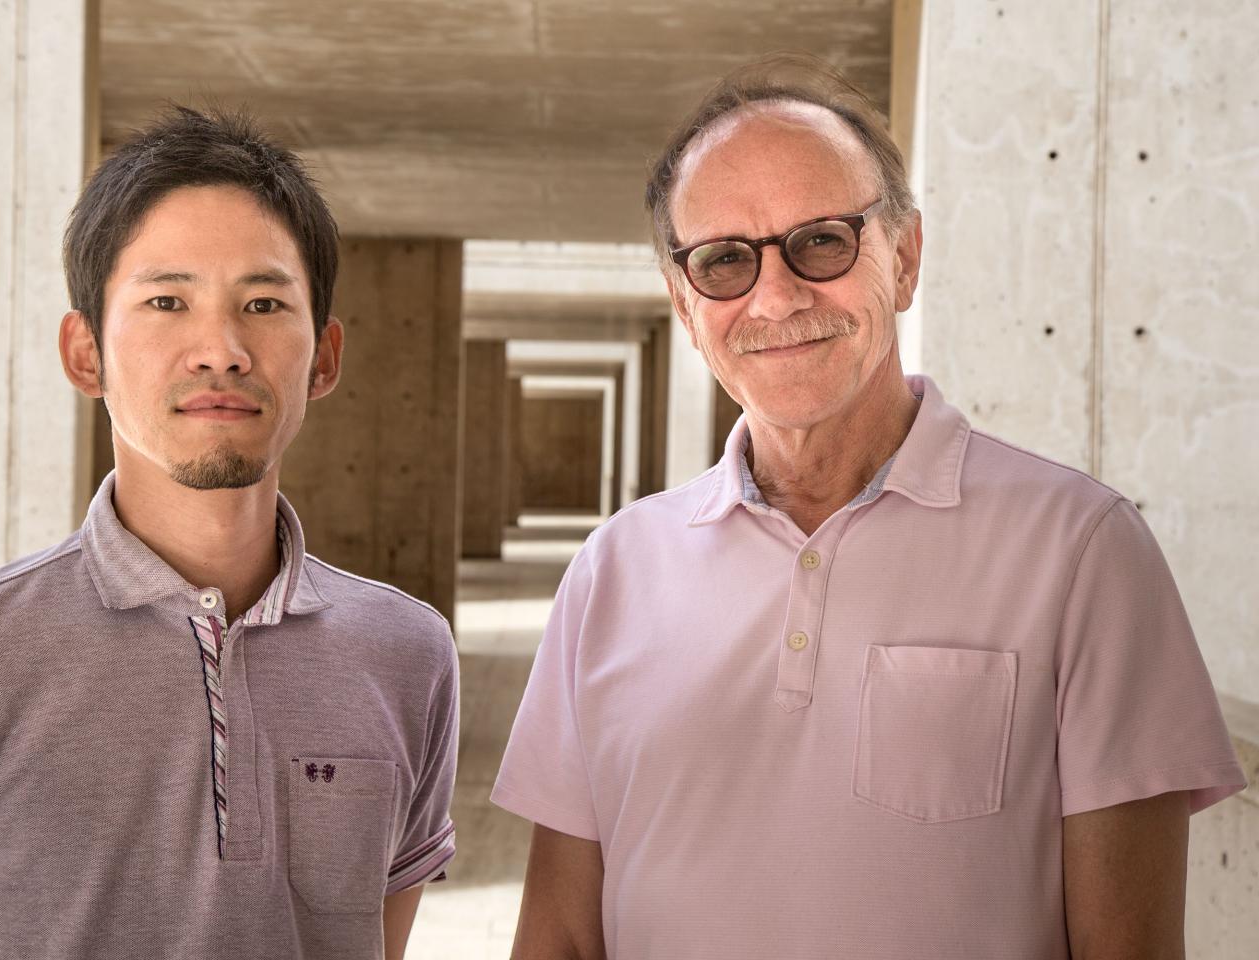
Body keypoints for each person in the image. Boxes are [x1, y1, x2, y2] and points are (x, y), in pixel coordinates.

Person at [492, 54, 1245, 959]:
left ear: (905, 257)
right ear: (685, 305)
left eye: (821, 241)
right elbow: (561, 939)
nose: (775, 296)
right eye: (725, 260)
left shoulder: (1084, 552)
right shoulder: (612, 571)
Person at [0, 107, 458, 960]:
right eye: (167, 300)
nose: (221, 348)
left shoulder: (408, 653)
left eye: (264, 302)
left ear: (325, 356)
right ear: (85, 355)